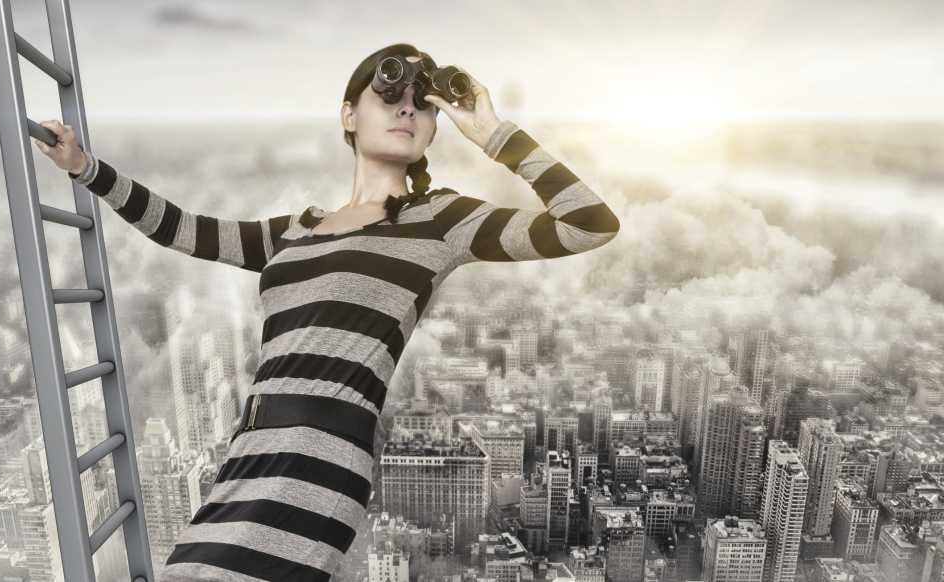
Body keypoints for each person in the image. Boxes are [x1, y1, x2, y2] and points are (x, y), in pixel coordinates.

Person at [35, 42, 620, 582]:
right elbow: (184, 230)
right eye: (388, 93)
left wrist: (493, 133)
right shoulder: (295, 231)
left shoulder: (441, 220)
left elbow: (588, 224)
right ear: (348, 116)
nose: (407, 109)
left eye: (424, 105)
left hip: (321, 460)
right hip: (248, 454)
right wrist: (87, 168)